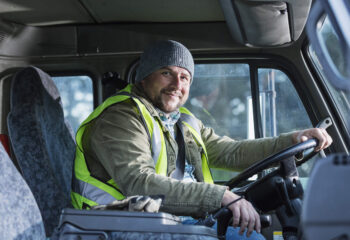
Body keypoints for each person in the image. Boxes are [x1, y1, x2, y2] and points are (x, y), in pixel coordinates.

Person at [71, 40, 332, 239]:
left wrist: (294, 140)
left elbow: (231, 152)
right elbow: (139, 183)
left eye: (184, 77)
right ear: (144, 76)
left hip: (172, 221)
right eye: (166, 73)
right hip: (120, 226)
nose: (177, 84)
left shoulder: (183, 120)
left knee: (249, 234)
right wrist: (220, 196)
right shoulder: (119, 118)